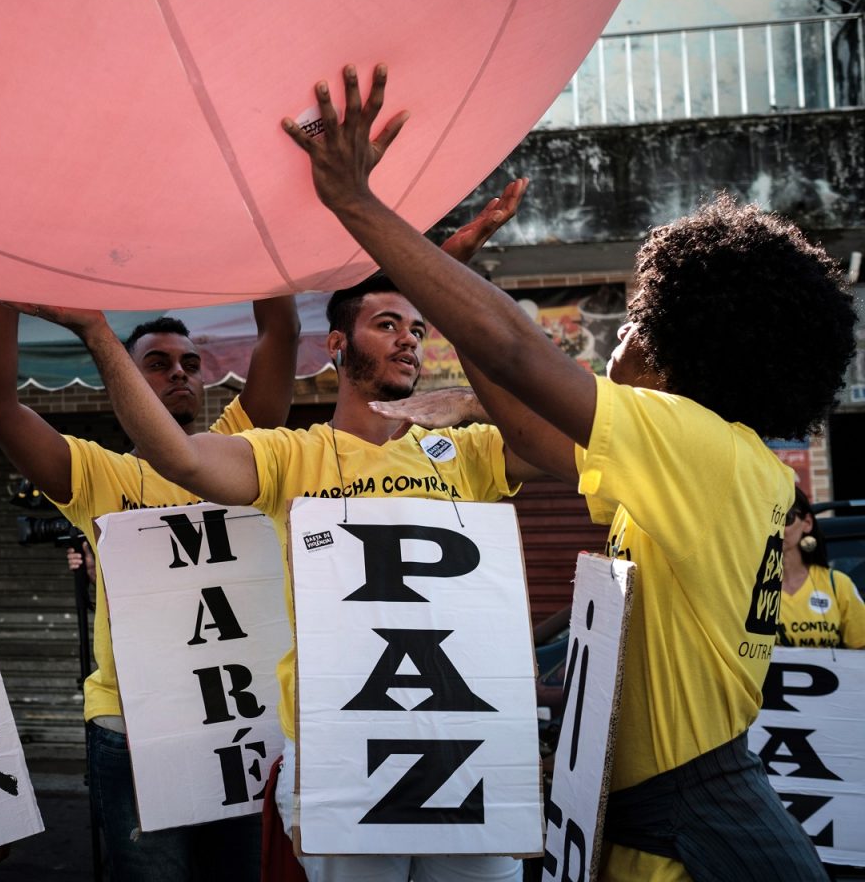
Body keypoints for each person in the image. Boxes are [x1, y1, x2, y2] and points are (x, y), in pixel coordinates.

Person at [272, 64, 855, 880]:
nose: (616, 341)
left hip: (684, 836)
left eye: (633, 325)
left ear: (673, 352)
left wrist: (356, 202)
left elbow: (518, 350)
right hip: (672, 815)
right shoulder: (729, 462)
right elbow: (522, 419)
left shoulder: (693, 444)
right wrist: (447, 276)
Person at [10, 183, 537, 882]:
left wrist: (454, 320)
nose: (409, 338)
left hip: (463, 748)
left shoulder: (463, 450)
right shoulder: (293, 453)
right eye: (387, 324)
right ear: (340, 344)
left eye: (418, 327)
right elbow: (180, 455)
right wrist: (100, 333)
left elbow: (552, 433)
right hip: (345, 756)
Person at [0, 299, 298, 881]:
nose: (180, 372)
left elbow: (282, 329)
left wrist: (267, 228)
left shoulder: (244, 448)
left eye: (191, 363)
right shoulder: (102, 474)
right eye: (157, 362)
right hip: (133, 725)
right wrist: (4, 291)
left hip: (242, 720)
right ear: (120, 373)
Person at [777, 486, 865, 649]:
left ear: (807, 523)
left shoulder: (838, 584)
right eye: (766, 518)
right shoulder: (749, 587)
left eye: (785, 517)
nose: (775, 525)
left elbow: (861, 650)